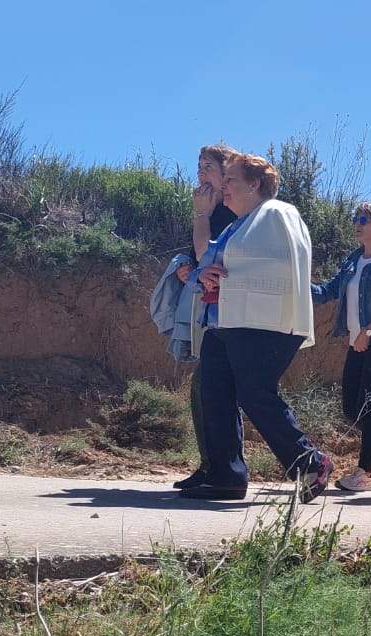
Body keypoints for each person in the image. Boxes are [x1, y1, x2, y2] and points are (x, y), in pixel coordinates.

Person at [186, 153, 332, 501]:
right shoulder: (239, 225)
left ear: (255, 184)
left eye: (230, 181)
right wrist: (205, 273)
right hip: (232, 319)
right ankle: (226, 476)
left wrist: (226, 276)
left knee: (254, 393)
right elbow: (210, 258)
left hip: (266, 322)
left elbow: (281, 265)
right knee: (214, 391)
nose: (223, 188)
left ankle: (311, 461)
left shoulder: (279, 212)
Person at [309, 201, 371, 491]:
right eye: (356, 217)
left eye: (363, 218)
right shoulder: (353, 261)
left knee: (369, 406)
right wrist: (298, 285)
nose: (357, 222)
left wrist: (367, 331)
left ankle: (364, 473)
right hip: (359, 342)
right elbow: (328, 291)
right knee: (351, 408)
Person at [167, 144, 239, 490]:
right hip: (210, 312)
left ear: (227, 174)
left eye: (207, 166)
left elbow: (211, 255)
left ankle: (225, 470)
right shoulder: (208, 208)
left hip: (232, 315)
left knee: (216, 391)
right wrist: (184, 266)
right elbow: (195, 254)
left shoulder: (231, 211)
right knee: (205, 391)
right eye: (198, 165)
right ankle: (212, 467)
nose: (200, 172)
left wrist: (201, 216)